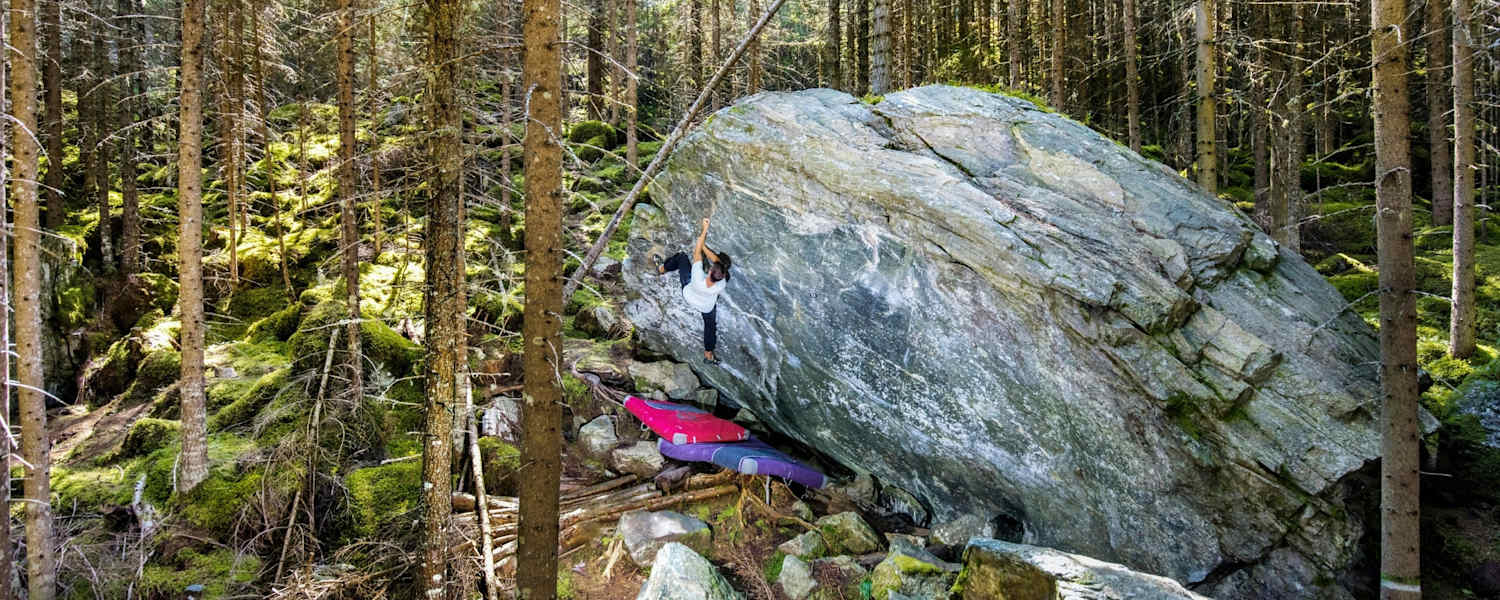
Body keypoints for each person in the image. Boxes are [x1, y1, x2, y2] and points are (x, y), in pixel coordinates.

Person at [655, 217, 732, 363]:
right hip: (706, 306)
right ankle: (708, 354)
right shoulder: (722, 282)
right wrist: (704, 249)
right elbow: (719, 263)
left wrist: (704, 230)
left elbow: (696, 250)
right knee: (710, 326)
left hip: (689, 295)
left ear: (709, 272)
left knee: (681, 257)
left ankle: (662, 268)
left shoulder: (697, 276)